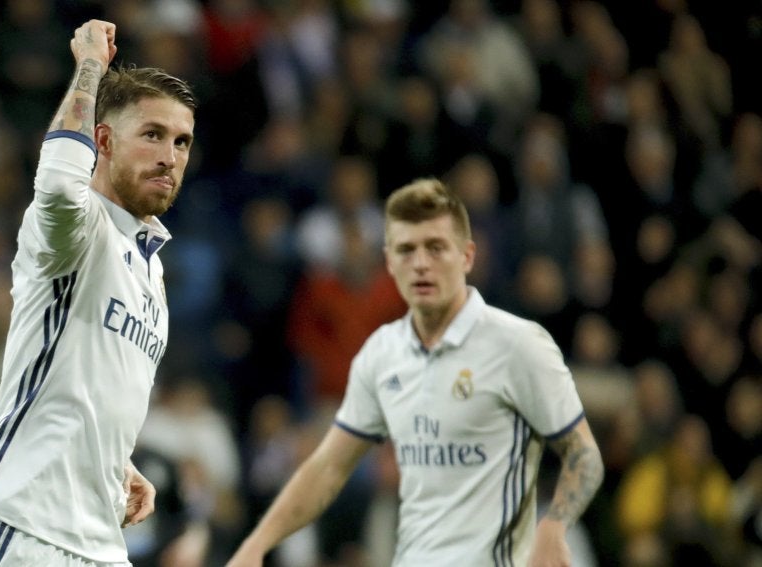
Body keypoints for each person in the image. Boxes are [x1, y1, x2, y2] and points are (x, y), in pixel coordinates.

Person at [227, 178, 605, 567]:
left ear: (467, 257)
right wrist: (258, 543)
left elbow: (584, 453)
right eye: (407, 250)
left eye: (436, 248)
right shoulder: (381, 352)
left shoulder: (518, 344)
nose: (421, 264)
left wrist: (554, 525)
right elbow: (329, 466)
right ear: (390, 263)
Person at [0, 19, 197, 566]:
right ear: (102, 140)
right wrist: (90, 69)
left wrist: (114, 464)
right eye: (152, 134)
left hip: (98, 542)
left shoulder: (150, 268)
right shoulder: (77, 231)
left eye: (181, 142)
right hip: (20, 529)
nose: (169, 156)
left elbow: (83, 388)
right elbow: (58, 184)